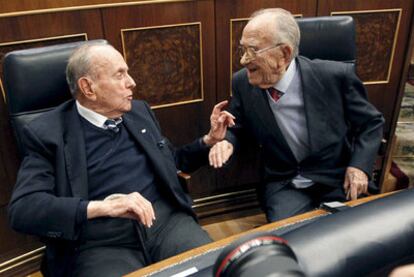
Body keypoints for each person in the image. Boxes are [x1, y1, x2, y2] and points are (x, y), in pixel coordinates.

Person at [8, 43, 234, 277]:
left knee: (211, 272)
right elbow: (23, 209)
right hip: (101, 243)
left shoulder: (139, 112)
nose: (132, 82)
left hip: (166, 223)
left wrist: (208, 140)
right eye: (120, 75)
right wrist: (104, 207)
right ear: (88, 87)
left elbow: (171, 162)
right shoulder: (47, 133)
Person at [209, 8, 384, 222]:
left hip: (336, 175)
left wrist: (359, 166)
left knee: (355, 231)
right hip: (285, 183)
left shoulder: (335, 77)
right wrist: (226, 141)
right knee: (292, 238)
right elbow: (237, 125)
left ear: (284, 53)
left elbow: (371, 123)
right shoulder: (242, 83)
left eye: (253, 50)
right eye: (243, 50)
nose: (244, 60)